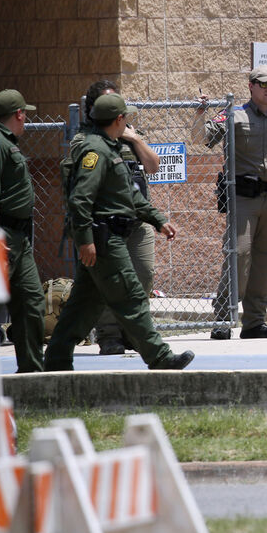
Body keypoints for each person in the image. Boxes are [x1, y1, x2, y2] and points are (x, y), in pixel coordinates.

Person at [44, 94, 193, 371]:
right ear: (119, 120)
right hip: (104, 239)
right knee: (132, 296)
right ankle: (160, 358)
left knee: (82, 307)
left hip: (109, 236)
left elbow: (130, 196)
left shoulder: (109, 148)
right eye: (126, 116)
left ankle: (56, 359)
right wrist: (86, 241)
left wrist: (158, 220)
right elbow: (80, 200)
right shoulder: (95, 151)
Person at [193, 66, 267, 340]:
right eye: (264, 84)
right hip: (244, 199)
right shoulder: (234, 115)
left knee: (265, 260)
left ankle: (255, 322)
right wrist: (200, 113)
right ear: (251, 86)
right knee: (239, 255)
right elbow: (202, 139)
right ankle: (223, 319)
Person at [67, 80, 161, 355]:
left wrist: (133, 139)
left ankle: (133, 332)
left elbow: (153, 166)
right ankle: (109, 335)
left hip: (137, 221)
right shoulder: (86, 142)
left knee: (143, 275)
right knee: (108, 281)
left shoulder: (130, 136)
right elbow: (81, 192)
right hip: (106, 225)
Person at [0, 90, 45, 372]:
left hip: (19, 240)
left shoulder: (5, 141)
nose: (26, 119)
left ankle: (32, 372)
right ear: (18, 114)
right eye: (26, 113)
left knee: (31, 303)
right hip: (2, 236)